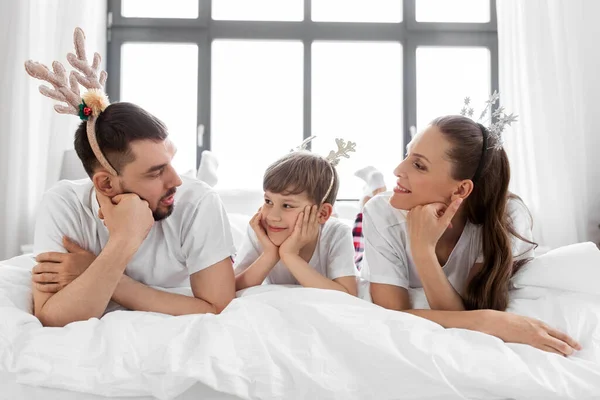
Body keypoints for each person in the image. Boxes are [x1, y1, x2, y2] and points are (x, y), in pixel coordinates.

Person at [26, 28, 236, 327]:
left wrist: (100, 274)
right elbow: (51, 316)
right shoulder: (63, 204)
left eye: (169, 162)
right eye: (155, 172)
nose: (176, 180)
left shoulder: (198, 201)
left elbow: (217, 308)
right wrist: (124, 240)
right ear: (106, 183)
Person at [361, 113, 582, 356]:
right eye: (407, 155)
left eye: (418, 165)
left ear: (462, 188)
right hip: (372, 240)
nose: (398, 169)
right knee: (363, 222)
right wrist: (489, 321)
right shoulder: (381, 211)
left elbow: (464, 312)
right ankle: (373, 186)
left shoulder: (507, 217)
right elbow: (392, 314)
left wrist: (423, 251)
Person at [234, 145, 358, 296]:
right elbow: (231, 288)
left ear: (322, 214)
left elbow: (348, 296)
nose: (273, 216)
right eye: (268, 201)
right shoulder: (259, 229)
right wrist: (270, 254)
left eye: (287, 205)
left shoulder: (336, 233)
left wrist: (289, 255)